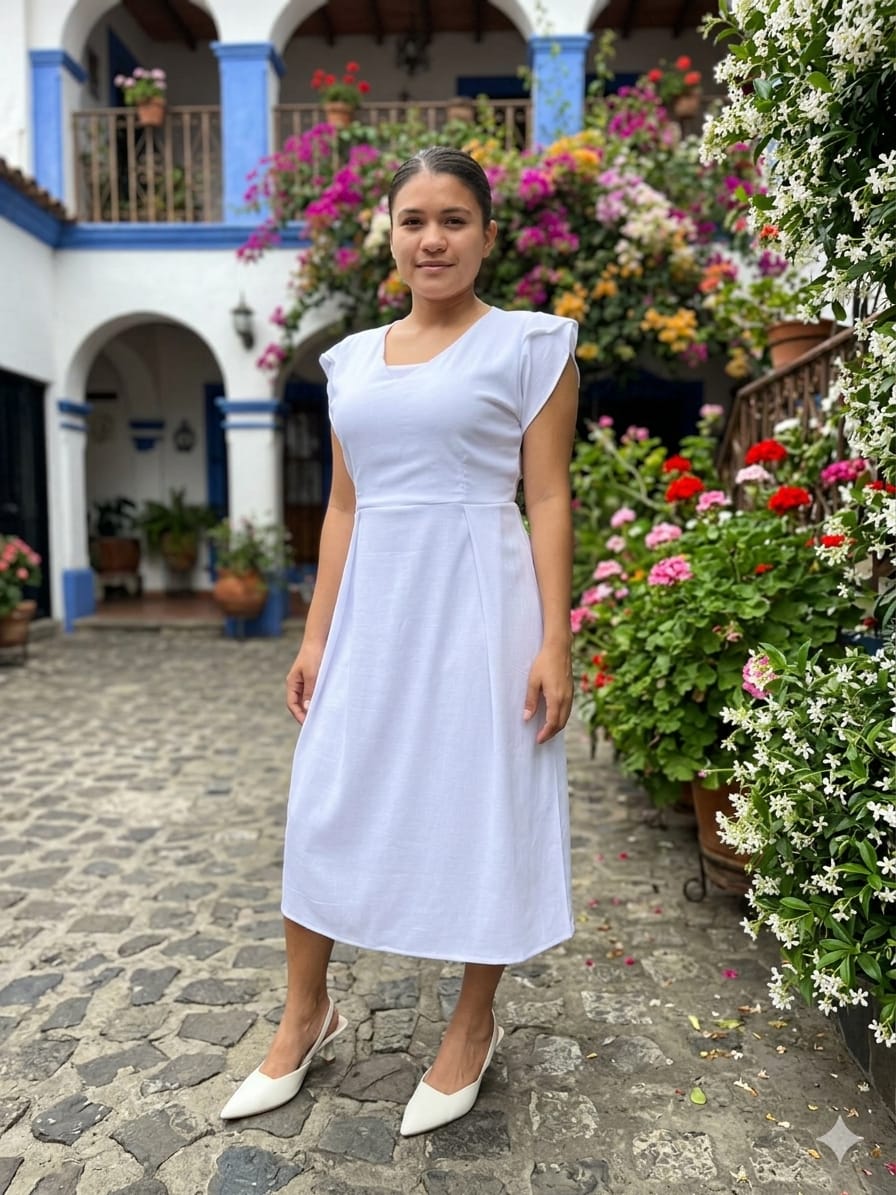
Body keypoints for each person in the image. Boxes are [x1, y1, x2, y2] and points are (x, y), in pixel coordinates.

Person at [221, 146, 579, 1136]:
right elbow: (343, 506)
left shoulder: (531, 345)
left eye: (453, 219)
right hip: (373, 608)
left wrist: (554, 638)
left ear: (487, 236)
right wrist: (314, 634)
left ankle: (472, 1022)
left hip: (481, 603)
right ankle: (306, 1011)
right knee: (325, 796)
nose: (432, 239)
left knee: (484, 798)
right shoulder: (347, 362)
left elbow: (548, 496)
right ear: (389, 235)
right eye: (413, 220)